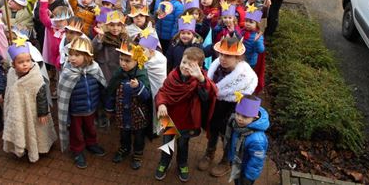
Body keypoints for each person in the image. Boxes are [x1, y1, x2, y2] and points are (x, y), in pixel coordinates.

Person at [198, 35, 258, 178]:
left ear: (238, 58)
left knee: (228, 137)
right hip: (215, 108)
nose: (223, 58)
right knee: (212, 130)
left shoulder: (246, 77)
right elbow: (212, 87)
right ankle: (209, 153)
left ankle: (226, 161)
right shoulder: (216, 66)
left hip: (232, 112)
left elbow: (246, 100)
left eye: (229, 56)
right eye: (222, 54)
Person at [154, 47, 217, 182]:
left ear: (200, 67)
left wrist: (200, 78)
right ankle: (165, 162)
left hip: (187, 120)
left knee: (183, 145)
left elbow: (207, 95)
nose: (185, 66)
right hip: (169, 118)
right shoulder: (172, 75)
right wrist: (161, 104)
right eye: (184, 62)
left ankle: (182, 163)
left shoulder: (200, 81)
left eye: (191, 65)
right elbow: (162, 92)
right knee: (167, 143)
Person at [3, 40, 57, 163]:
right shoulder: (12, 74)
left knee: (36, 129)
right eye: (20, 62)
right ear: (13, 64)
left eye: (27, 61)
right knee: (22, 127)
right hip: (19, 111)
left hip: (34, 112)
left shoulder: (35, 76)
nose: (25, 64)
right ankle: (24, 144)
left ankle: (41, 145)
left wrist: (43, 112)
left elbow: (42, 96)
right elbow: (9, 89)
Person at [58, 37, 107, 168]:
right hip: (75, 111)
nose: (72, 58)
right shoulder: (67, 72)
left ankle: (91, 144)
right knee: (76, 132)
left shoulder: (94, 68)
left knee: (91, 128)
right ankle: (77, 150)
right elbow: (63, 95)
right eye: (70, 55)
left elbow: (102, 86)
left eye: (77, 55)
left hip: (91, 108)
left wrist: (104, 103)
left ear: (87, 56)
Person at [106, 41, 151, 170]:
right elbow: (111, 91)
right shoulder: (118, 74)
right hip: (122, 113)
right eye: (121, 59)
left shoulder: (141, 75)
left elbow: (146, 96)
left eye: (127, 60)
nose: (123, 63)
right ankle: (124, 149)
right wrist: (109, 108)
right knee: (124, 134)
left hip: (138, 114)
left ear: (137, 61)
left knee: (138, 136)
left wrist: (138, 87)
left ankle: (137, 154)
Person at [224, 95, 269, 185]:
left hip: (246, 172)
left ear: (255, 117)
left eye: (245, 117)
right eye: (237, 114)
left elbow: (257, 161)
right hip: (237, 163)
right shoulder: (237, 125)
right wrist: (231, 157)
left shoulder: (257, 140)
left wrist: (249, 177)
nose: (239, 118)